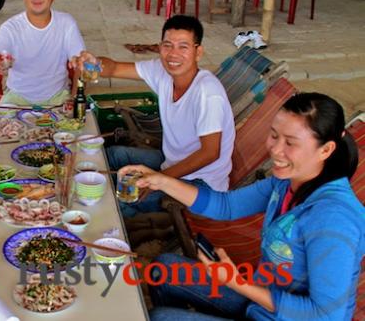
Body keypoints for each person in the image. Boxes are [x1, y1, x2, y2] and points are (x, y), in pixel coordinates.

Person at [119, 92, 364, 320]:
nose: (275, 150)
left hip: (277, 311)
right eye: (274, 135)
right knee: (164, 268)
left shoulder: (334, 219)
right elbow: (225, 205)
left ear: (326, 149)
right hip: (259, 300)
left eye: (290, 143)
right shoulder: (286, 184)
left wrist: (236, 282)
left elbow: (324, 315)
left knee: (160, 317)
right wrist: (161, 181)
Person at [72, 15, 235, 219]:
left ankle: (117, 224)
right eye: (168, 45)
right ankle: (84, 191)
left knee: (119, 199)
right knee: (112, 155)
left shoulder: (208, 93)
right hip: (171, 162)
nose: (173, 54)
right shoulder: (162, 71)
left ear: (198, 52)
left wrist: (159, 178)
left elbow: (210, 152)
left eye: (183, 47)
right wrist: (94, 63)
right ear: (160, 47)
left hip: (200, 184)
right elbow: (113, 68)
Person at [0, 0, 86, 106]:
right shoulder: (10, 28)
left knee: (72, 126)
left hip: (58, 97)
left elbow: (81, 65)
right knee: (1, 125)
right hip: (17, 98)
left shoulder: (66, 23)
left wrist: (75, 100)